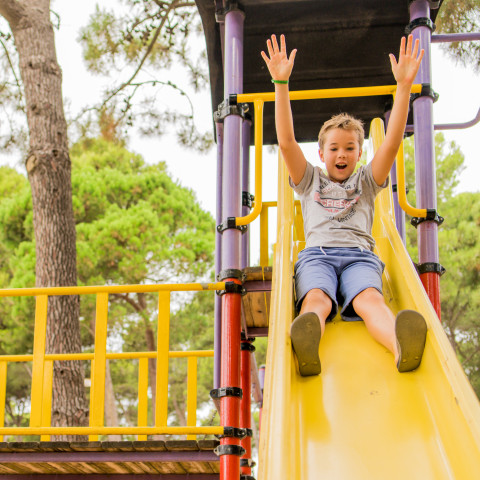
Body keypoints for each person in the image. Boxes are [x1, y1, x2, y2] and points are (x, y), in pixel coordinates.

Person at [261, 34, 427, 376]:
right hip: (317, 255)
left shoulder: (366, 181)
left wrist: (404, 87)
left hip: (360, 257)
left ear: (360, 153)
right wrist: (280, 83)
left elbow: (393, 142)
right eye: (334, 148)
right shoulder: (309, 180)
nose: (342, 154)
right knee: (316, 302)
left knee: (370, 300)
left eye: (350, 148)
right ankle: (307, 348)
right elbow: (287, 141)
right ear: (321, 154)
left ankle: (400, 347)